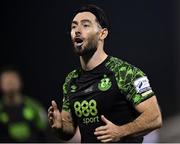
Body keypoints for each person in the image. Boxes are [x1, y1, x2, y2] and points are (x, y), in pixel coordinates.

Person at [48, 4, 162, 143]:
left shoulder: (124, 72)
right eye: (74, 26)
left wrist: (121, 131)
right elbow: (69, 131)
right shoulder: (71, 80)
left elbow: (155, 117)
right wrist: (59, 128)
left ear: (102, 33)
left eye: (85, 25)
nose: (77, 30)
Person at [0, 67, 47, 142]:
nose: (10, 83)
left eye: (13, 80)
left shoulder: (35, 107)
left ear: (20, 82)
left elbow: (44, 130)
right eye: (6, 81)